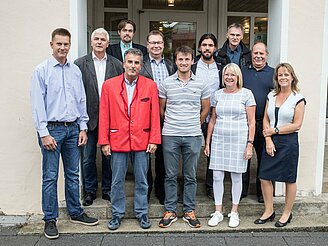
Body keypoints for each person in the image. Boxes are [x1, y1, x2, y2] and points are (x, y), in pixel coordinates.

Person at [30, 28, 99, 240]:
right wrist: (44, 133)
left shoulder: (75, 70)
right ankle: (50, 219)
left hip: (73, 130)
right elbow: (37, 105)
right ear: (51, 44)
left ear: (69, 45)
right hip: (52, 130)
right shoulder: (41, 71)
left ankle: (75, 212)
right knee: (50, 177)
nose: (62, 48)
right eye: (58, 44)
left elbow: (81, 100)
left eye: (66, 44)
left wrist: (83, 127)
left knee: (73, 174)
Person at [98, 48, 161, 230]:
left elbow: (154, 115)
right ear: (124, 64)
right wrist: (104, 141)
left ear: (141, 66)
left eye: (136, 63)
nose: (133, 66)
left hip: (142, 140)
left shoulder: (150, 85)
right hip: (117, 140)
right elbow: (104, 115)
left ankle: (142, 212)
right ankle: (117, 214)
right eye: (130, 62)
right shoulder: (109, 86)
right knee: (117, 180)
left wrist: (154, 139)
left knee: (142, 179)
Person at [158, 46, 210, 228]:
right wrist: (175, 122)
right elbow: (161, 109)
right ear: (176, 60)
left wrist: (194, 122)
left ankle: (189, 210)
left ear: (192, 61)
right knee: (170, 175)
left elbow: (205, 109)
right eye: (180, 59)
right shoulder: (166, 83)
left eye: (187, 59)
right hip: (171, 134)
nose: (184, 62)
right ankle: (170, 210)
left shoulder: (201, 83)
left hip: (193, 134)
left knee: (190, 176)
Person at [74, 28, 123, 206]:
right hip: (88, 118)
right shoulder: (80, 64)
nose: (100, 42)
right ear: (91, 42)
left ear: (108, 43)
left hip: (112, 120)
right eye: (96, 39)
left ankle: (108, 190)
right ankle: (90, 191)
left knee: (109, 157)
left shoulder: (117, 64)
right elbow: (77, 94)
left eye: (103, 39)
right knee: (88, 158)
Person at [204, 63, 256, 228]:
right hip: (219, 139)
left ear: (238, 76)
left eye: (233, 75)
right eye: (226, 74)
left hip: (239, 140)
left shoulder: (246, 94)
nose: (229, 77)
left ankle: (234, 211)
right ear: (223, 76)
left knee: (236, 176)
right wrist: (208, 142)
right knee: (217, 176)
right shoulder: (217, 95)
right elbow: (212, 119)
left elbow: (252, 122)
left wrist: (250, 144)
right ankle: (218, 211)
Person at [254, 63, 306, 227]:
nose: (283, 77)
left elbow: (297, 125)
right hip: (270, 140)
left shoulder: (298, 99)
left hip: (288, 142)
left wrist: (274, 131)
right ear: (276, 78)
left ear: (292, 77)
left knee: (289, 178)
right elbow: (265, 119)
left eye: (286, 74)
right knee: (264, 176)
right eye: (280, 75)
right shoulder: (271, 95)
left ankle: (286, 213)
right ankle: (269, 211)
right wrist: (268, 139)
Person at [140, 30, 176, 205]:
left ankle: (161, 191)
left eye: (159, 43)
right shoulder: (141, 64)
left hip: (166, 116)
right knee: (144, 156)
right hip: (145, 116)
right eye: (152, 42)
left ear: (163, 45)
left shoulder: (171, 65)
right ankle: (146, 190)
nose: (156, 46)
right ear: (147, 45)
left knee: (163, 156)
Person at [241, 41, 274, 203]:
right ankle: (242, 191)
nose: (258, 56)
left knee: (265, 159)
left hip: (265, 123)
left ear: (266, 55)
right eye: (256, 53)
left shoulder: (274, 73)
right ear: (251, 54)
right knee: (243, 158)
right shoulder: (242, 72)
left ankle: (263, 193)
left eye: (262, 53)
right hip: (244, 123)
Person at [191, 33, 221, 200]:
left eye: (210, 45)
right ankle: (191, 185)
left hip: (215, 117)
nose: (207, 48)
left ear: (215, 48)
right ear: (200, 47)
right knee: (192, 152)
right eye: (204, 45)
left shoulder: (221, 67)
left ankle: (210, 186)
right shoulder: (193, 66)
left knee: (213, 153)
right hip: (195, 115)